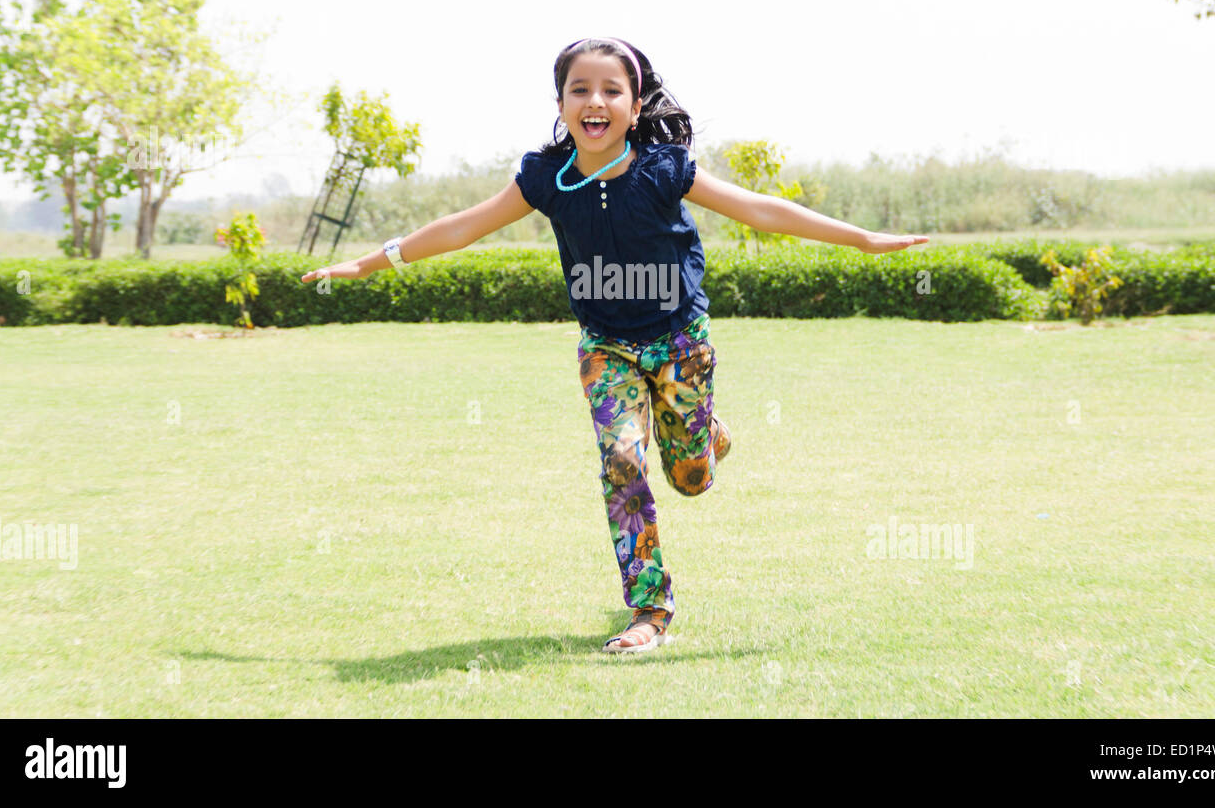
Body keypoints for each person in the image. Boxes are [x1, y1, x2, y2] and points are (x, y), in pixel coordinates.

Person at [301, 36, 929, 654]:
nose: (594, 100)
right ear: (561, 103)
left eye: (611, 89)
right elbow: (461, 227)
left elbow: (760, 210)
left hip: (680, 341)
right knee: (623, 463)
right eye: (580, 89)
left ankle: (703, 431)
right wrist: (365, 265)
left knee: (690, 480)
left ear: (634, 104)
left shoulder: (665, 169)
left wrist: (864, 239)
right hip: (606, 348)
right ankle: (650, 610)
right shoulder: (545, 178)